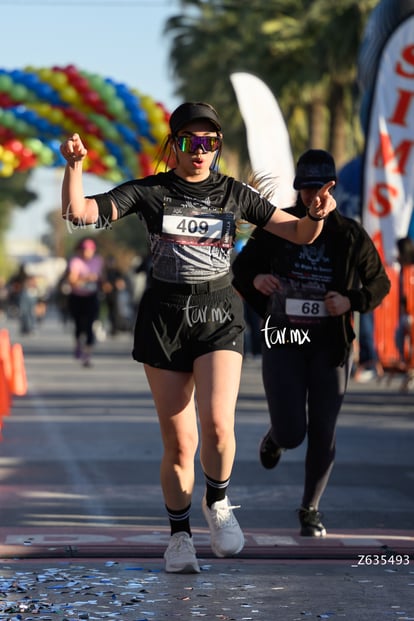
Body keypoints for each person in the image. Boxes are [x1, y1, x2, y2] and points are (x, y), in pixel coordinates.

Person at [59, 102, 336, 574]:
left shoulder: (233, 193)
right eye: (190, 141)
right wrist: (75, 166)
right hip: (165, 320)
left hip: (218, 315)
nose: (200, 151)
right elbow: (79, 212)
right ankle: (180, 537)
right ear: (174, 146)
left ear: (218, 147)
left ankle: (219, 501)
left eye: (210, 142)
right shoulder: (152, 191)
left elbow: (299, 234)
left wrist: (317, 214)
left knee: (219, 427)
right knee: (181, 443)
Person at [232, 149, 391, 538]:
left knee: (324, 429)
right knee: (292, 432)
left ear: (331, 187)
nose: (309, 196)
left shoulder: (350, 236)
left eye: (316, 188)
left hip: (330, 347)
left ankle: (310, 508)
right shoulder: (279, 225)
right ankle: (275, 437)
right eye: (303, 190)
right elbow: (241, 269)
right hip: (284, 339)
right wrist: (256, 283)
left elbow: (380, 283)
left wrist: (350, 301)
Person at [66, 237, 105, 367]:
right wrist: (85, 278)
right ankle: (78, 344)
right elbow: (71, 281)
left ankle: (87, 355)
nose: (86, 253)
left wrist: (103, 283)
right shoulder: (75, 261)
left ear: (93, 251)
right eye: (84, 250)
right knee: (79, 326)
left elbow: (101, 278)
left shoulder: (98, 261)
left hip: (91, 297)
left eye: (89, 250)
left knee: (89, 326)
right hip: (77, 297)